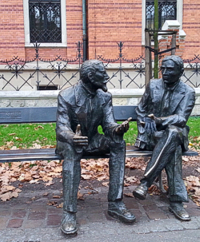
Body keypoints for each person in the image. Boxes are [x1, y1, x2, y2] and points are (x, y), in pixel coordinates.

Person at [56, 59, 136, 235]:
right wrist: (72, 137)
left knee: (118, 143)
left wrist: (117, 129)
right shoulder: (67, 96)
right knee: (71, 149)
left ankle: (115, 203)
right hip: (69, 141)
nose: (106, 77)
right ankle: (69, 212)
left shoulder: (105, 97)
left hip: (92, 139)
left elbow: (108, 124)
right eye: (103, 73)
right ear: (91, 76)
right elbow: (61, 128)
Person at [132, 55, 195, 221]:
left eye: (170, 69)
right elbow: (141, 109)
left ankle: (145, 183)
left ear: (180, 72)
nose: (165, 72)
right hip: (153, 136)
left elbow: (181, 119)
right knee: (172, 144)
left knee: (173, 134)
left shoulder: (188, 92)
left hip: (172, 133)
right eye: (163, 69)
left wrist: (159, 121)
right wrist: (145, 125)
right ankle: (177, 202)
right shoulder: (153, 85)